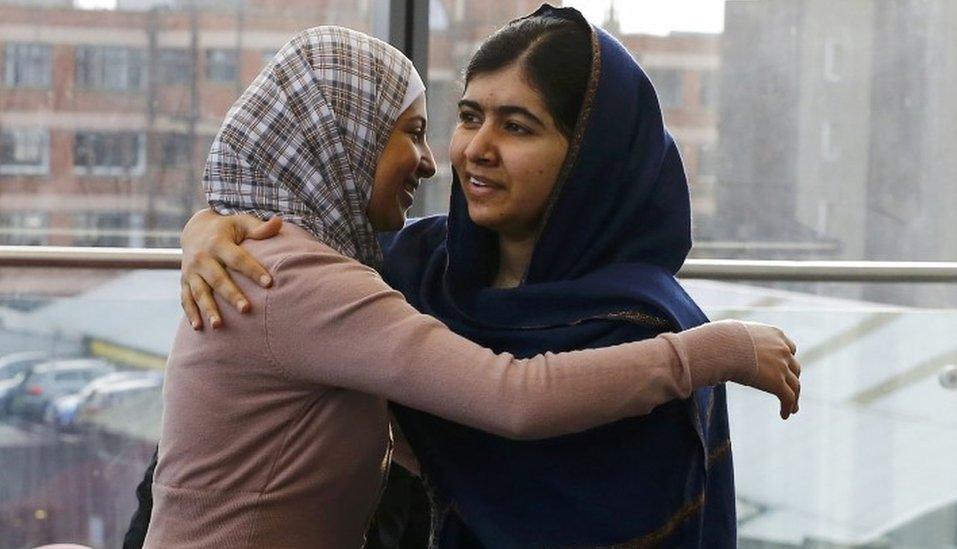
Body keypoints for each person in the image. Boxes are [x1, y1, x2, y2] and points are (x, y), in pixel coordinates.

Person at [136, 20, 799, 549]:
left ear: (592, 156)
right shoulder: (408, 268)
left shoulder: (645, 321)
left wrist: (215, 224)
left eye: (517, 126)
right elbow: (511, 396)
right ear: (345, 138)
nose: (467, 151)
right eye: (468, 116)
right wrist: (210, 226)